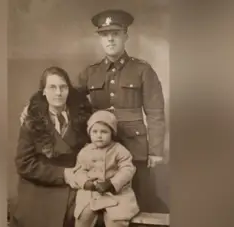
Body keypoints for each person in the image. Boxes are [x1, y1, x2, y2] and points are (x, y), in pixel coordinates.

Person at [20, 9, 166, 212]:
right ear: (100, 39)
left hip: (135, 147)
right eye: (105, 35)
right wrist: (33, 105)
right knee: (99, 200)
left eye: (115, 33)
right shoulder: (91, 72)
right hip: (99, 146)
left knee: (139, 201)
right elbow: (64, 93)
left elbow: (155, 110)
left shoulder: (142, 70)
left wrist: (156, 150)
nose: (111, 40)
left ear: (126, 36)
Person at [9, 66, 92, 227]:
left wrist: (79, 173)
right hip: (40, 181)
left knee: (78, 218)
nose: (58, 93)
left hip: (75, 178)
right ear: (43, 91)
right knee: (37, 226)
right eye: (52, 87)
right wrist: (62, 174)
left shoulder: (82, 115)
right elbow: (24, 163)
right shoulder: (32, 121)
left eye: (63, 87)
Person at [67, 110, 140, 227]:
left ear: (112, 133)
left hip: (116, 194)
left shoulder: (119, 150)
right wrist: (86, 183)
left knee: (117, 224)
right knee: (81, 219)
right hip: (92, 193)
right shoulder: (85, 151)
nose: (99, 135)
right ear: (90, 133)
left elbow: (128, 169)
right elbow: (78, 171)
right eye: (95, 131)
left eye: (104, 132)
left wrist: (112, 183)